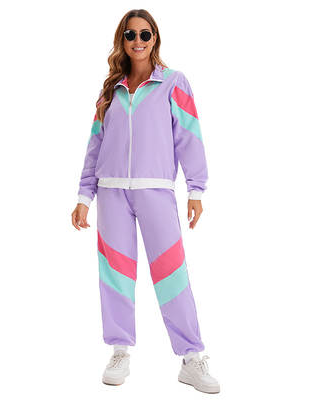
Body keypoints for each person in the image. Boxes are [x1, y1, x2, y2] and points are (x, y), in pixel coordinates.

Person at [71, 9, 220, 394]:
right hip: (111, 192)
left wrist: (196, 189)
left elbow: (190, 135)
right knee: (115, 276)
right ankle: (120, 350)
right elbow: (95, 144)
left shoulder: (173, 82)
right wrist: (84, 195)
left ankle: (191, 357)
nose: (137, 41)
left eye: (144, 34)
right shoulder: (111, 90)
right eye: (130, 34)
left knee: (172, 274)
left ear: (155, 38)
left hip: (156, 190)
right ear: (122, 40)